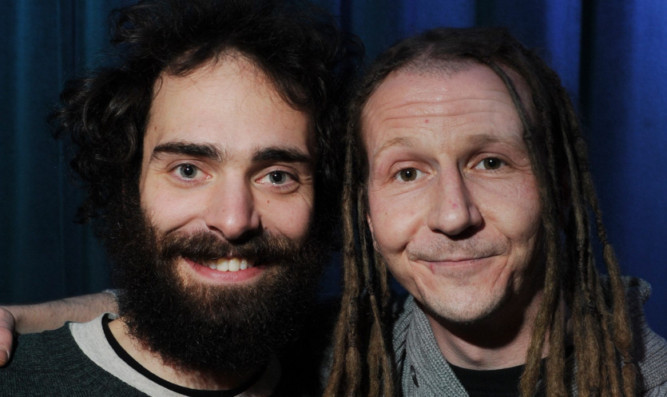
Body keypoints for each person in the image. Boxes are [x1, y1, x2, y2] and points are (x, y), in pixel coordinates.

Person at [0, 0, 360, 395]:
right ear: (129, 181)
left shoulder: (356, 367)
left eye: (276, 176)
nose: (234, 220)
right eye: (188, 170)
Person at [325, 27, 667, 396]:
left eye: (491, 163)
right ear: (368, 216)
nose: (454, 217)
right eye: (407, 173)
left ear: (561, 190)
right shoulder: (324, 376)